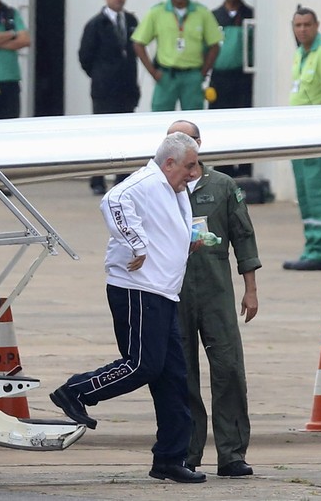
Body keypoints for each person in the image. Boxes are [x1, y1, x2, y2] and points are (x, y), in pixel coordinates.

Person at [49, 132, 207, 484]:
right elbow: (113, 200)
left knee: (173, 379)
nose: (195, 173)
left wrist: (186, 243)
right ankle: (76, 392)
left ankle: (169, 458)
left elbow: (166, 227)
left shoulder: (173, 188)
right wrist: (136, 244)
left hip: (163, 292)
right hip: (138, 290)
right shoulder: (146, 182)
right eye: (190, 165)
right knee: (142, 364)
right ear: (169, 163)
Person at [167, 120, 260, 477]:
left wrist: (250, 289)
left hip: (216, 288)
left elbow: (243, 237)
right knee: (181, 371)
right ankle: (187, 450)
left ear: (199, 144)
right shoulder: (161, 187)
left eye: (186, 140)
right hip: (172, 290)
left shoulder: (223, 187)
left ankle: (232, 452)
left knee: (228, 367)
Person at [283, 7, 321, 271]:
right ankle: (311, 247)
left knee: (318, 191)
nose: (302, 30)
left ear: (317, 25)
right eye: (298, 25)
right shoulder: (300, 53)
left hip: (317, 133)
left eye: (307, 25)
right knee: (305, 192)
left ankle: (320, 250)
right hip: (298, 132)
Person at [79, 0, 141, 195]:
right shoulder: (96, 24)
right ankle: (97, 179)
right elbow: (85, 57)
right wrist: (101, 75)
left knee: (125, 136)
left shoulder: (132, 20)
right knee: (103, 136)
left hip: (127, 89)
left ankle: (122, 178)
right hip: (104, 91)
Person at [131, 0, 221, 112]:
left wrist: (203, 72)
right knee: (160, 117)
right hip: (166, 75)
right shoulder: (157, 12)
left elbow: (215, 45)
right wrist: (153, 72)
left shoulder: (201, 13)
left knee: (193, 119)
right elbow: (138, 43)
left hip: (192, 76)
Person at [210, 0, 255, 178]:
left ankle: (244, 170)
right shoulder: (213, 16)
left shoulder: (251, 14)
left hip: (243, 77)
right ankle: (223, 171)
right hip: (219, 78)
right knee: (220, 124)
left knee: (244, 124)